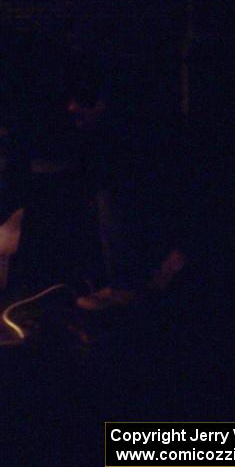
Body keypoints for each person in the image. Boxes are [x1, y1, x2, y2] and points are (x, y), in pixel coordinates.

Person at [62, 55, 190, 311]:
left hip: (169, 243)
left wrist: (178, 252)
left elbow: (183, 195)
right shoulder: (111, 137)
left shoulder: (135, 139)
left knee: (111, 195)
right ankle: (124, 284)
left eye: (85, 100)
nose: (72, 108)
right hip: (161, 242)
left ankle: (126, 288)